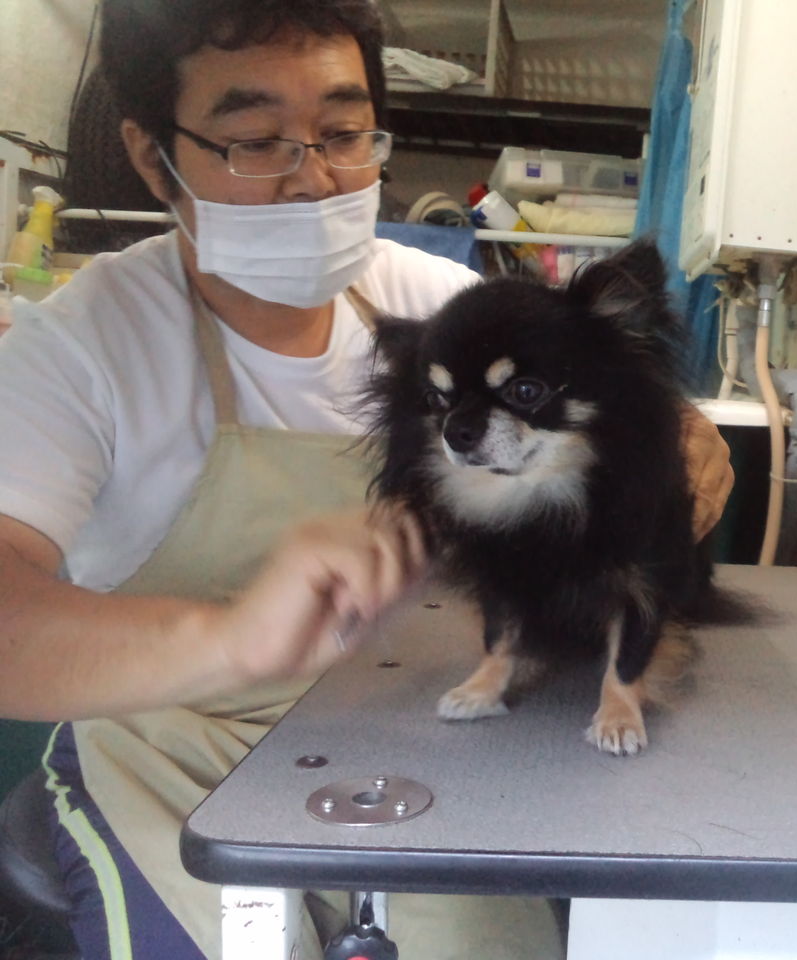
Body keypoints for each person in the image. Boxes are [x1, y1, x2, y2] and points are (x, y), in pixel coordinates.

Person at [0, 1, 735, 957]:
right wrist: (230, 634)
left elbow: (609, 395)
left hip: (389, 731)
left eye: (344, 134)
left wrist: (676, 448)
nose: (313, 178)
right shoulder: (78, 351)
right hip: (165, 745)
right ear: (153, 156)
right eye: (256, 141)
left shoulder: (433, 309)